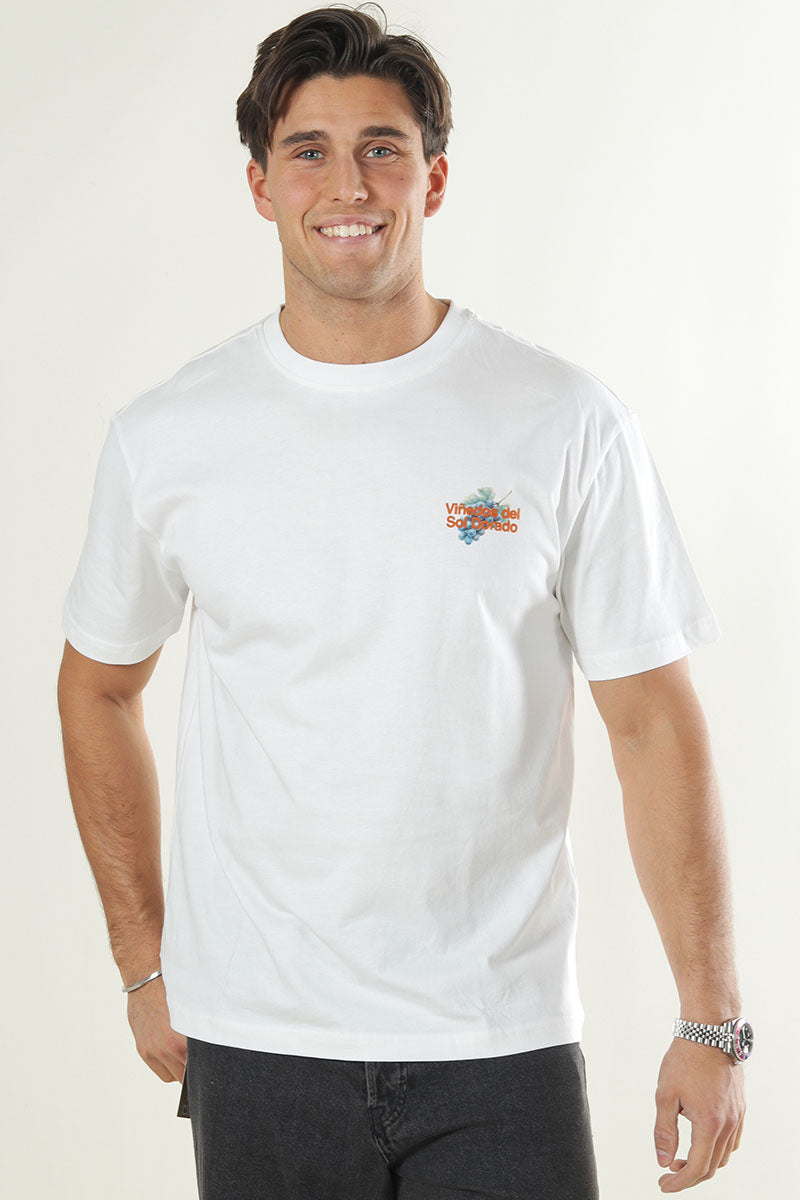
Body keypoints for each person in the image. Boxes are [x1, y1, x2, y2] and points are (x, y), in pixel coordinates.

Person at [56, 4, 750, 1197]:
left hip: (499, 1042)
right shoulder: (170, 436)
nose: (348, 184)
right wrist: (142, 960)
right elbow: (96, 687)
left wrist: (710, 1019)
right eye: (308, 151)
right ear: (259, 186)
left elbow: (649, 720)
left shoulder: (562, 421)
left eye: (381, 147)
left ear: (432, 177)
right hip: (259, 1041)